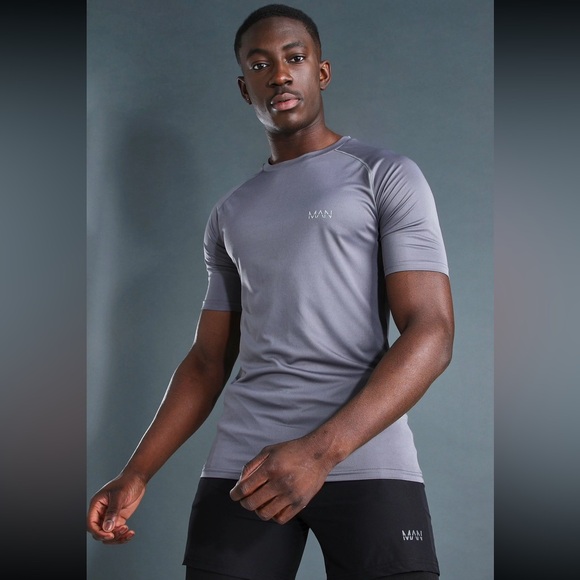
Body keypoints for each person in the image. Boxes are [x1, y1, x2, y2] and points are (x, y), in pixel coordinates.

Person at [87, 4, 455, 579]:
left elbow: (432, 332)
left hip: (364, 456)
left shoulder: (384, 175)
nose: (279, 74)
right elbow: (208, 360)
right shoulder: (230, 213)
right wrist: (137, 471)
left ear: (321, 72)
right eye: (260, 65)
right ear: (245, 88)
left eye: (294, 58)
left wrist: (320, 452)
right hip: (246, 466)